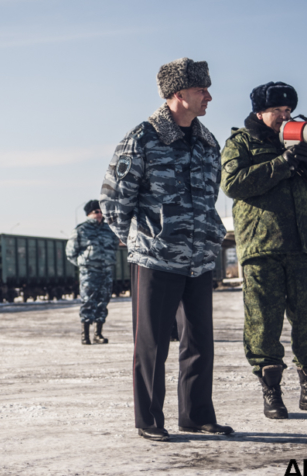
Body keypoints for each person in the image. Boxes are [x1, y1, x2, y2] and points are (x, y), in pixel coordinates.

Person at [100, 57, 233, 442]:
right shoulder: (143, 137)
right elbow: (113, 199)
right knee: (153, 343)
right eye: (200, 89)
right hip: (156, 257)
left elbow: (209, 198)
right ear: (178, 94)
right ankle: (149, 420)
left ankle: (196, 415)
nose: (209, 96)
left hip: (199, 257)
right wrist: (138, 240)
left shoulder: (208, 141)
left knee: (198, 340)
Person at [221, 81, 307, 419]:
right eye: (278, 111)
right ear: (260, 112)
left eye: (288, 110)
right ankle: (271, 392)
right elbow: (233, 184)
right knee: (263, 321)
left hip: (303, 247)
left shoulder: (304, 136)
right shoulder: (241, 143)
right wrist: (282, 164)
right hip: (262, 248)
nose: (285, 116)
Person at [66, 200, 120, 345]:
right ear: (89, 214)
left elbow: (115, 247)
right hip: (89, 272)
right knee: (88, 301)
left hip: (106, 271)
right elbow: (70, 252)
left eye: (101, 211)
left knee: (103, 301)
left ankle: (98, 334)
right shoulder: (81, 230)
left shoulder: (109, 230)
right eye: (96, 211)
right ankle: (85, 335)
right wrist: (84, 264)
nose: (99, 214)